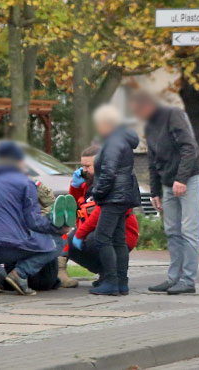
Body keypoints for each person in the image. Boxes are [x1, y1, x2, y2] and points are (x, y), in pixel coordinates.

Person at [129, 91, 199, 295]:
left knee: (189, 230)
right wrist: (155, 192)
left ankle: (188, 280)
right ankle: (174, 278)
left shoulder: (173, 115)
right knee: (172, 231)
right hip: (169, 182)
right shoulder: (149, 126)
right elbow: (152, 160)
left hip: (188, 179)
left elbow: (190, 148)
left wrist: (182, 179)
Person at [0, 141, 67, 296]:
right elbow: (34, 222)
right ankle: (20, 274)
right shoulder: (24, 183)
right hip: (7, 247)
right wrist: (57, 227)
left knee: (2, 231)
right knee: (58, 241)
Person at [88, 104, 140, 296]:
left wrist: (97, 192)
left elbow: (109, 172)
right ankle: (121, 282)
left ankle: (111, 281)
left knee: (102, 238)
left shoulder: (113, 141)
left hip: (113, 196)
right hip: (123, 195)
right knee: (118, 240)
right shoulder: (122, 139)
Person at [68, 199, 139, 287]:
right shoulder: (89, 187)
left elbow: (101, 211)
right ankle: (106, 274)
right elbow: (78, 203)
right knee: (69, 242)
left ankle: (112, 277)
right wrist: (76, 187)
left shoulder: (109, 188)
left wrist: (80, 234)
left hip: (123, 234)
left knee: (94, 240)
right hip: (102, 229)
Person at [58, 144, 101, 288]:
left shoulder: (106, 183)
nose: (84, 170)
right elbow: (76, 208)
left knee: (86, 238)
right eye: (82, 166)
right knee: (66, 238)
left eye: (88, 166)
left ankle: (111, 274)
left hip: (114, 234)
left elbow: (97, 213)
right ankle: (60, 271)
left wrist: (79, 234)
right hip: (91, 229)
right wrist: (75, 187)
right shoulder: (87, 183)